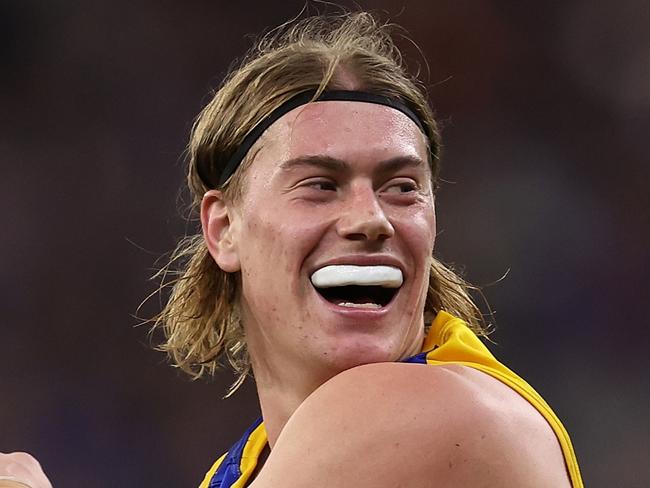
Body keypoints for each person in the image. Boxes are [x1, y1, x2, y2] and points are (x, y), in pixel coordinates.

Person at [2, 10, 584, 488]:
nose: (371, 218)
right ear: (223, 228)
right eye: (320, 185)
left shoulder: (431, 407)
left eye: (402, 188)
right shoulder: (241, 468)